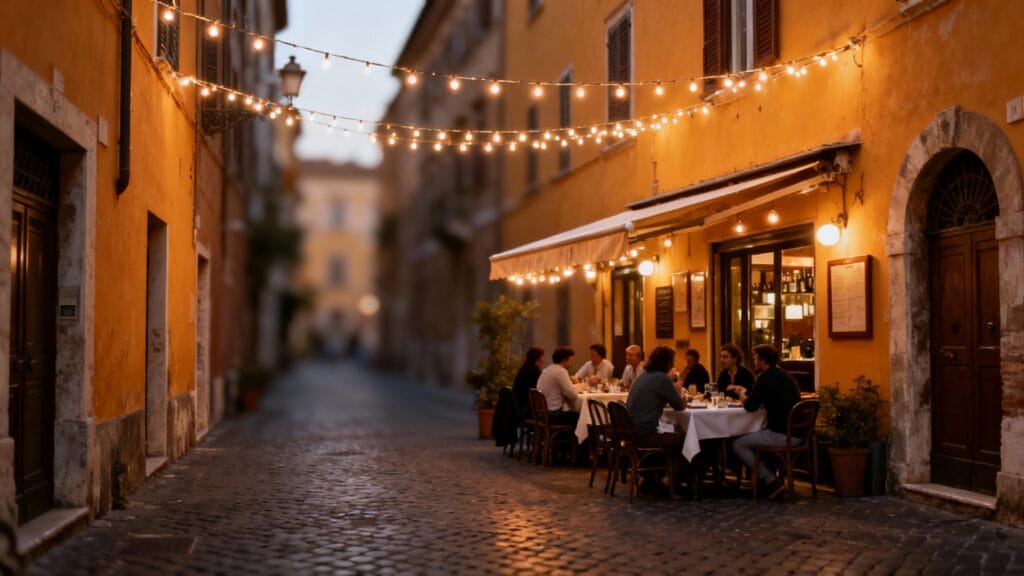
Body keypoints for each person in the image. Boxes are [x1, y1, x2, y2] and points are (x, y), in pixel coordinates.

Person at [732, 344, 802, 498]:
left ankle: (771, 481)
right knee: (758, 434)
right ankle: (764, 482)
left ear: (763, 360)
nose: (754, 363)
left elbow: (750, 406)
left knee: (738, 444)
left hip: (782, 435)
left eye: (756, 359)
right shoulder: (785, 375)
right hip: (799, 433)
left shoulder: (764, 377)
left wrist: (742, 395)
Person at [626, 346, 686, 494]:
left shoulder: (643, 375)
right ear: (667, 362)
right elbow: (679, 406)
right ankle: (670, 480)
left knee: (674, 431)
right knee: (686, 438)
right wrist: (678, 392)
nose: (673, 364)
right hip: (646, 434)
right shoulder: (662, 378)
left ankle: (649, 475)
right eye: (672, 361)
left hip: (631, 432)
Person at [537, 347, 583, 426]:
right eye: (571, 360)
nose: (571, 363)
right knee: (579, 416)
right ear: (564, 360)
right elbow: (572, 394)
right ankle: (575, 438)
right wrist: (581, 387)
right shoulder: (560, 371)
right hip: (553, 414)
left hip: (543, 413)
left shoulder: (547, 370)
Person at [512, 346, 544, 418]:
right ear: (538, 358)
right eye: (542, 356)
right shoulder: (534, 370)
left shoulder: (524, 368)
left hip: (520, 408)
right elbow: (541, 389)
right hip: (528, 410)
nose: (543, 359)